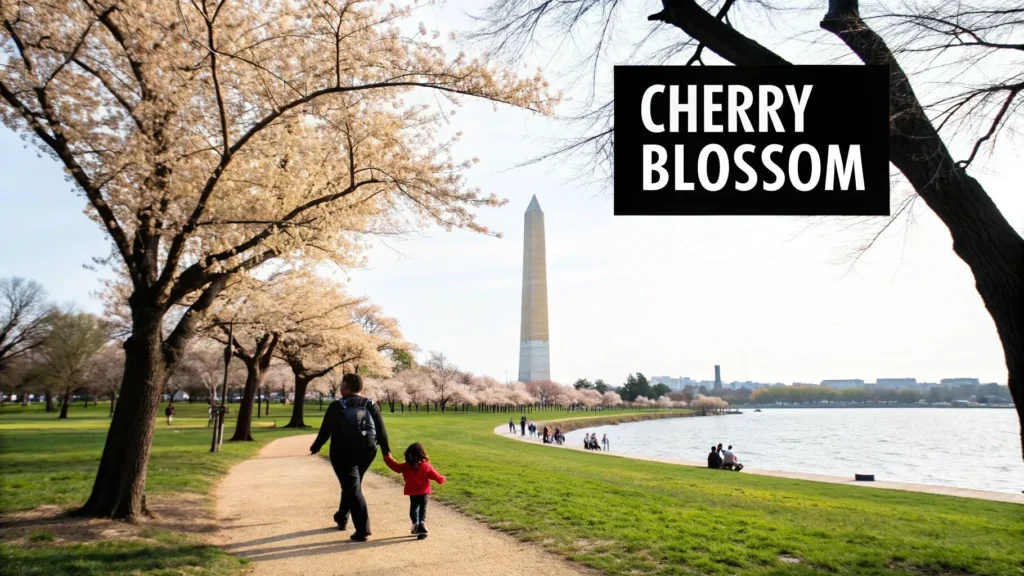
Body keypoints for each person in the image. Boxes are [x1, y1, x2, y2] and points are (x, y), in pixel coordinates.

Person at [310, 373, 390, 542]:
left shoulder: (337, 406)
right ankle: (341, 517)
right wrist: (386, 452)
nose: (340, 387)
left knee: (352, 487)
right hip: (367, 451)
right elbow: (381, 430)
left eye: (341, 384)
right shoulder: (371, 405)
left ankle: (362, 530)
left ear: (346, 387)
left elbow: (326, 430)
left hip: (342, 452)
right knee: (352, 484)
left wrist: (316, 446)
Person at [383, 443, 446, 539]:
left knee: (414, 509)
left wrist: (387, 457)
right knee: (422, 509)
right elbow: (436, 476)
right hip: (424, 492)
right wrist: (441, 479)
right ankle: (422, 524)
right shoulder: (426, 466)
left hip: (413, 492)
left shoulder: (405, 466)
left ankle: (415, 524)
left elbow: (395, 466)